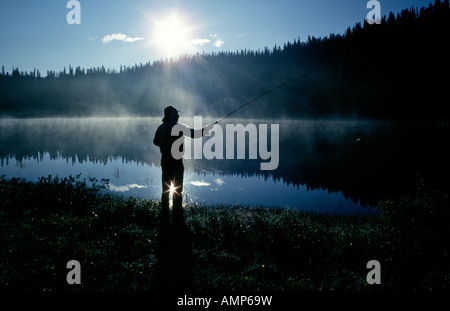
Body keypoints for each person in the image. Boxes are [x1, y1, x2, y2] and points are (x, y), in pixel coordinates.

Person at [153, 106, 213, 224]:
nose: (178, 115)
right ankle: (177, 215)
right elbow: (196, 134)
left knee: (165, 189)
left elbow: (155, 142)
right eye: (176, 113)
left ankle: (165, 215)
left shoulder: (160, 128)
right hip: (176, 162)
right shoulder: (179, 127)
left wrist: (164, 143)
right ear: (170, 115)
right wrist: (208, 128)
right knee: (178, 189)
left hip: (165, 161)